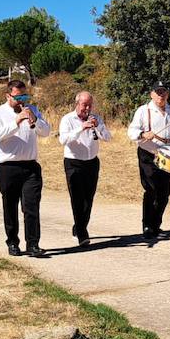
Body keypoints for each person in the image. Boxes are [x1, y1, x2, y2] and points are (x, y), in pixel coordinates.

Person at [0, 80, 51, 257]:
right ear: (8, 95)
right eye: (18, 97)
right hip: (7, 166)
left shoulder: (33, 109)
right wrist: (17, 120)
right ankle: (12, 242)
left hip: (30, 166)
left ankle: (33, 244)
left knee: (31, 206)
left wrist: (35, 119)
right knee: (10, 206)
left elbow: (46, 132)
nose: (22, 100)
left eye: (25, 96)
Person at [127, 81, 170, 241]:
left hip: (167, 154)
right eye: (158, 92)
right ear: (152, 94)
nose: (161, 95)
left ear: (167, 94)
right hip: (148, 154)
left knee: (165, 192)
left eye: (164, 92)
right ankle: (147, 226)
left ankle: (156, 225)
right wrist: (142, 134)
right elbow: (131, 131)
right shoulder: (143, 111)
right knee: (151, 189)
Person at [57, 91, 110, 246]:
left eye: (89, 105)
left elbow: (107, 137)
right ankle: (82, 233)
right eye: (84, 104)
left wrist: (98, 126)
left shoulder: (96, 118)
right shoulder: (67, 119)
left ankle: (79, 226)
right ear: (77, 103)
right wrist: (81, 128)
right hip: (73, 163)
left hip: (91, 162)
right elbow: (63, 140)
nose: (86, 108)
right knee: (77, 198)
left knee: (88, 198)